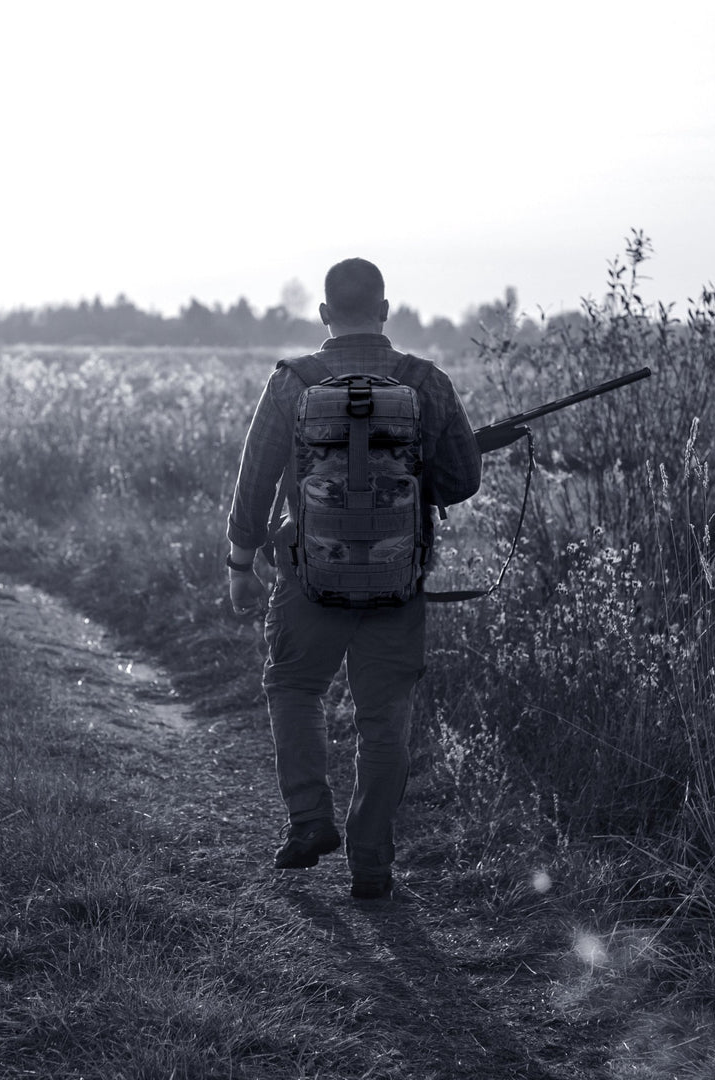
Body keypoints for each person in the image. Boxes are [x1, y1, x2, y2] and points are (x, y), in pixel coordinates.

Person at [226, 257, 482, 899]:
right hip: (398, 579)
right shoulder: (426, 381)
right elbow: (462, 480)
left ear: (323, 315)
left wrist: (238, 561)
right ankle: (371, 862)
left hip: (306, 575)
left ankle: (310, 821)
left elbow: (256, 480)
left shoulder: (292, 381)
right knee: (385, 716)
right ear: (387, 310)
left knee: (293, 686)